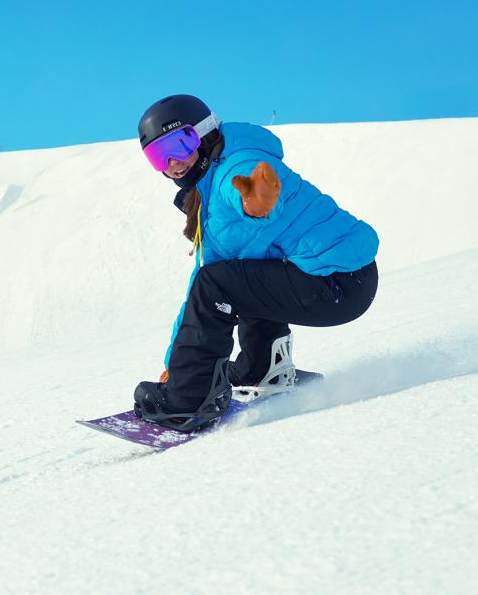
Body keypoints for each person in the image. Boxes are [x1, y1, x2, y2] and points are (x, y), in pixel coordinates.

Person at [133, 94, 380, 431]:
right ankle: (262, 370)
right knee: (232, 279)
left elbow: (250, 180)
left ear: (204, 135)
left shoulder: (235, 166)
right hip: (345, 279)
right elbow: (202, 282)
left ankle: (186, 402)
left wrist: (253, 200)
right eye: (158, 156)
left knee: (218, 283)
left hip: (336, 281)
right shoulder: (208, 188)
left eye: (179, 145)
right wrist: (175, 365)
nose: (172, 163)